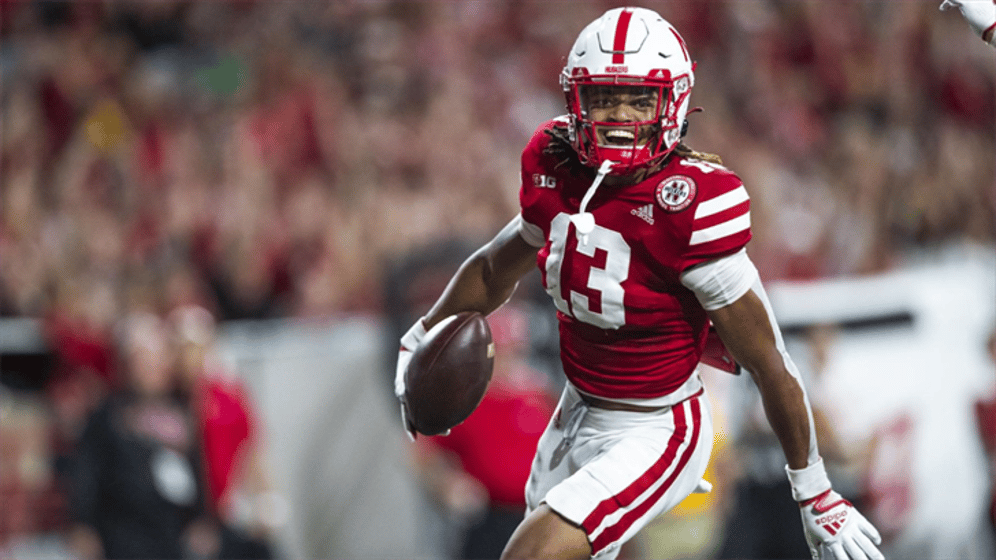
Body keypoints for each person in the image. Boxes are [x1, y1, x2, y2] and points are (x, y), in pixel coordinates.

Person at [392, 7, 883, 560]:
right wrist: (426, 330)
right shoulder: (555, 167)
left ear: (672, 103)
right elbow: (491, 267)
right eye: (604, 96)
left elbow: (770, 362)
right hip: (576, 407)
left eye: (638, 98)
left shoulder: (691, 204)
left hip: (657, 428)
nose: (620, 114)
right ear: (576, 99)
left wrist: (814, 491)